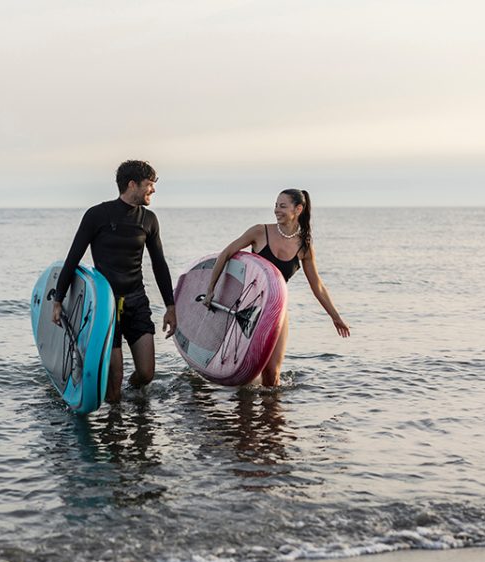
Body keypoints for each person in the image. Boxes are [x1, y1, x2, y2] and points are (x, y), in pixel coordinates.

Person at [52, 160, 176, 403]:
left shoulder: (149, 220)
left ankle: (135, 399)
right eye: (149, 185)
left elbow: (159, 264)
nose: (153, 190)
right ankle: (114, 427)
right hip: (106, 306)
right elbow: (73, 258)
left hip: (136, 301)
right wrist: (58, 299)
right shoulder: (97, 215)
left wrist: (171, 306)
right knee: (114, 384)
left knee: (146, 373)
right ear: (132, 184)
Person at [203, 189, 349, 387]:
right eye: (275, 205)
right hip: (246, 308)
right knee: (243, 372)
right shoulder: (259, 231)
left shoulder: (303, 246)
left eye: (282, 206)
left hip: (276, 310)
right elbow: (226, 253)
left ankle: (271, 415)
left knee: (272, 374)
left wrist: (335, 316)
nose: (276, 210)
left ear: (298, 209)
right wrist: (212, 289)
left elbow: (317, 286)